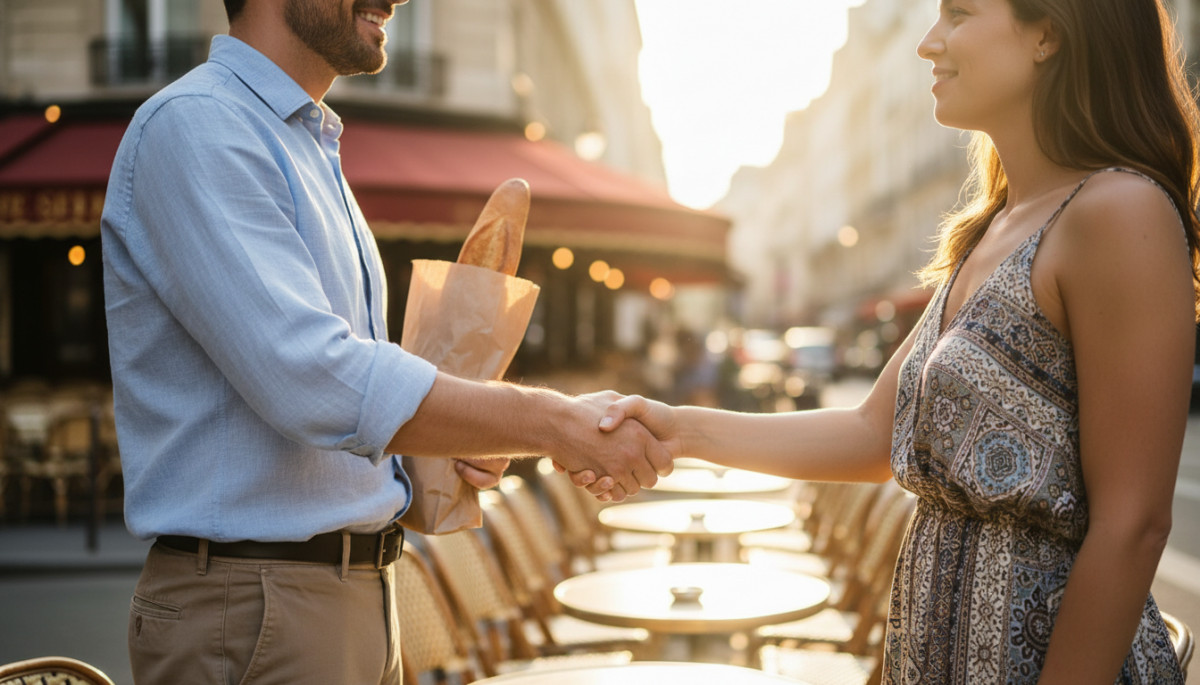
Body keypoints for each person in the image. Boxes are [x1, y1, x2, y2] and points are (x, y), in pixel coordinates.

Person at [583, 0, 1200, 681]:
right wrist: (678, 429)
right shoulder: (994, 226)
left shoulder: (1119, 209)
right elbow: (872, 432)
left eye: (958, 15)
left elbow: (1134, 522)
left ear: (1049, 32)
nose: (928, 43)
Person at [101, 0, 670, 682]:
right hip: (257, 604)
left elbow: (339, 403)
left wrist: (447, 445)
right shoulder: (198, 125)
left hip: (337, 595)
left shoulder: (305, 146)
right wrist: (549, 421)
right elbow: (312, 379)